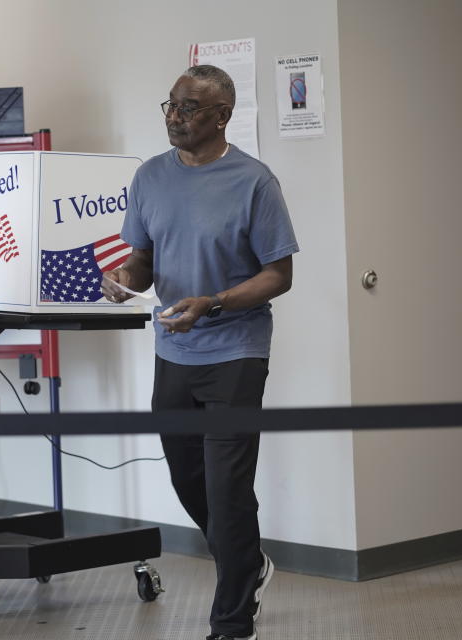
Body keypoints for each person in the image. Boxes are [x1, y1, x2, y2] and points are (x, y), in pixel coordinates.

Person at [102, 65, 298, 640]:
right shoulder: (150, 177)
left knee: (226, 487)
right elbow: (142, 256)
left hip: (236, 348)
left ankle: (232, 621)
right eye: (170, 105)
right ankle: (247, 563)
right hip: (173, 350)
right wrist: (124, 276)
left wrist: (214, 303)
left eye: (189, 108)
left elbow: (278, 275)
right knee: (188, 478)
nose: (174, 117)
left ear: (221, 117)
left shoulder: (254, 181)